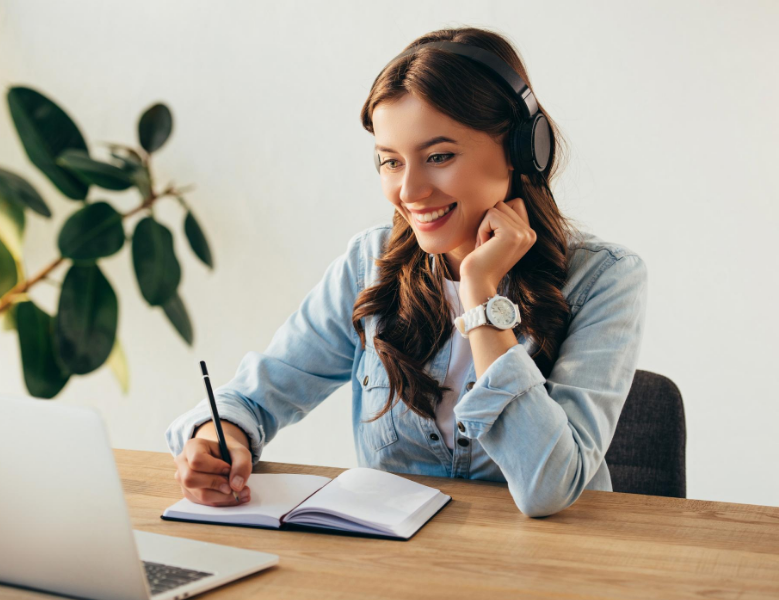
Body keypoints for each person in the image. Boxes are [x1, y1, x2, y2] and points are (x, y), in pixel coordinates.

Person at [165, 26, 648, 518]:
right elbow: (257, 394)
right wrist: (218, 436)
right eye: (391, 163)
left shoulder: (605, 280)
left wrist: (480, 295)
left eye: (439, 156)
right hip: (397, 570)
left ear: (523, 150)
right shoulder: (367, 264)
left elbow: (549, 487)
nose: (410, 191)